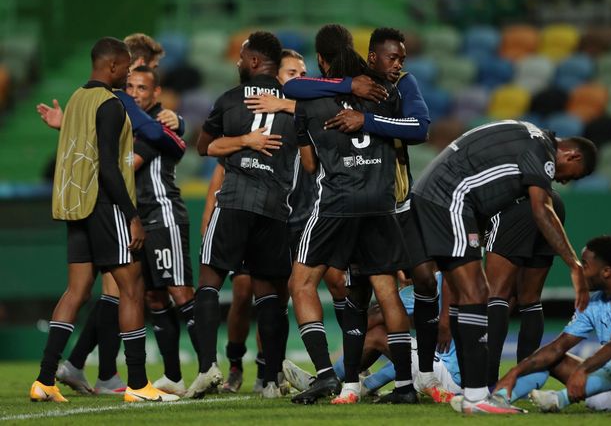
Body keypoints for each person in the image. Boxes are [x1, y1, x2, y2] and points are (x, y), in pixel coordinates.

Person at [283, 27, 452, 402]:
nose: (399, 65)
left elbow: (421, 128)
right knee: (379, 290)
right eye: (394, 58)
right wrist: (352, 90)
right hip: (382, 203)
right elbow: (297, 89)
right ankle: (386, 383)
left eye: (402, 58)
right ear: (369, 57)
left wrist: (363, 119)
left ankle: (339, 375)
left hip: (363, 202)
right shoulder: (379, 90)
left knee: (309, 283)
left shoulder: (389, 87)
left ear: (322, 60)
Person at [411, 120, 597, 413]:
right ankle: (478, 394)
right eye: (575, 176)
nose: (565, 182)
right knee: (479, 292)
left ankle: (475, 393)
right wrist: (574, 264)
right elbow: (541, 208)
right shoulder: (541, 149)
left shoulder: (528, 135)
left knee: (475, 290)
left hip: (443, 195)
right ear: (572, 156)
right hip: (451, 197)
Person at [37, 34, 187, 396]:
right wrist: (131, 215)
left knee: (76, 291)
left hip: (76, 208)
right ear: (114, 66)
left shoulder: (77, 99)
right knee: (132, 288)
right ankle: (138, 383)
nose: (128, 78)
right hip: (106, 207)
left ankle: (43, 380)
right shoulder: (109, 103)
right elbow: (108, 165)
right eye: (126, 69)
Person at [190, 31, 297, 399]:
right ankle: (271, 380)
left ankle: (208, 368)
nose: (237, 62)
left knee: (207, 284)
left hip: (235, 200)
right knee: (269, 296)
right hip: (276, 209)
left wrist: (240, 143)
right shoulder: (296, 104)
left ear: (254, 62)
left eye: (241, 57)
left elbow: (203, 147)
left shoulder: (231, 100)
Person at [491, 235, 611, 413]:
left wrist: (583, 369)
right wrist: (514, 372)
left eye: (585, 265)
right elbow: (558, 346)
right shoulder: (593, 303)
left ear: (606, 271)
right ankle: (499, 401)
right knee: (551, 357)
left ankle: (560, 399)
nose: (579, 271)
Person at [124, 66, 198, 395]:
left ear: (155, 94)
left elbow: (127, 165)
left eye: (142, 87)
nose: (135, 92)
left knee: (180, 292)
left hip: (163, 213)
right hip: (139, 219)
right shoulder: (130, 124)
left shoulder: (158, 124)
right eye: (129, 86)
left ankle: (209, 367)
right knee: (154, 297)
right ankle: (173, 376)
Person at [284, 273, 463, 398]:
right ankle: (358, 384)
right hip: (464, 382)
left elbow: (373, 321)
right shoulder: (464, 282)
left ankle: (327, 378)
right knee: (401, 340)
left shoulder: (429, 284)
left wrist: (358, 324)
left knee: (377, 332)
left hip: (446, 381)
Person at [485, 190, 566, 388]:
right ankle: (525, 383)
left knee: (495, 293)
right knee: (530, 298)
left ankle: (487, 383)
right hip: (552, 202)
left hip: (513, 204)